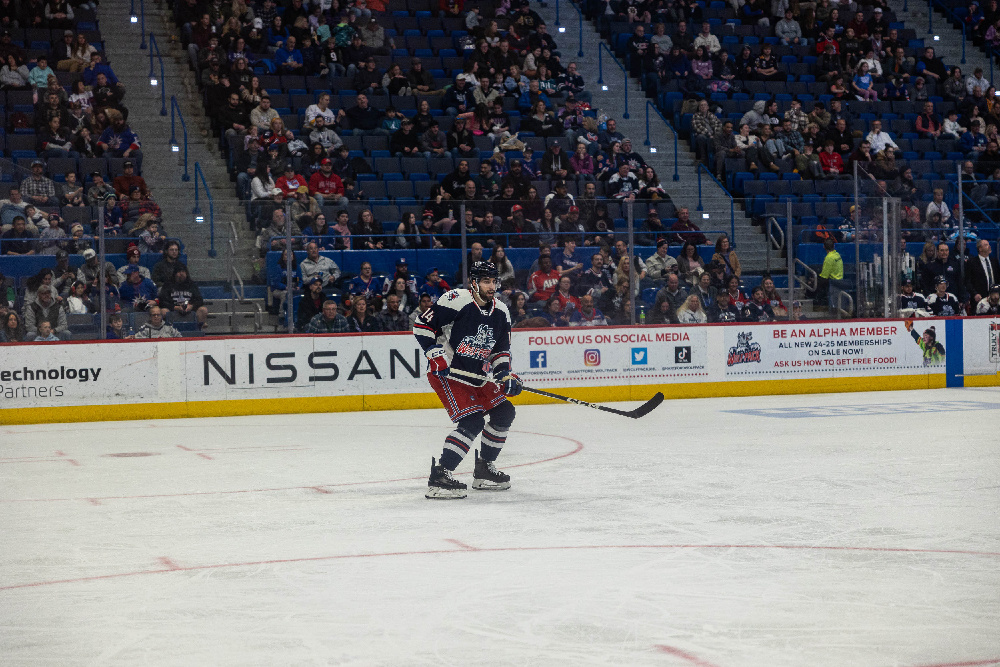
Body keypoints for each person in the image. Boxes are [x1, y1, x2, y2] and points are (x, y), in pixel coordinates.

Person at [413, 261, 520, 499]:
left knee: (504, 412)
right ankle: (440, 475)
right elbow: (422, 325)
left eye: (494, 281)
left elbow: (500, 351)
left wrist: (504, 374)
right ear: (474, 282)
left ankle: (484, 470)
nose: (491, 286)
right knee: (472, 422)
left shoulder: (501, 311)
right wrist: (433, 352)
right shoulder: (456, 300)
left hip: (475, 374)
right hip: (448, 373)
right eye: (486, 281)